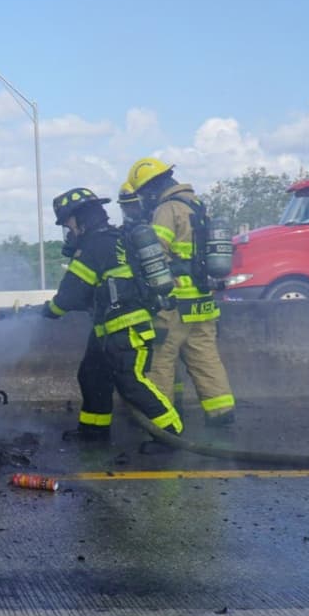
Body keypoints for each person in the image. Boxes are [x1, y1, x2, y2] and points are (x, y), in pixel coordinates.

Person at [40, 187, 182, 441]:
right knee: (92, 375)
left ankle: (171, 433)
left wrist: (49, 311)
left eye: (68, 223)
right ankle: (95, 429)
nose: (69, 231)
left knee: (131, 382)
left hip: (126, 328)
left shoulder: (94, 245)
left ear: (81, 218)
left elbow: (71, 295)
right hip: (107, 330)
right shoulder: (113, 238)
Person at [125, 158, 236, 426]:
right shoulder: (197, 206)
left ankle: (160, 423)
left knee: (160, 362)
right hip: (203, 302)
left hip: (174, 304)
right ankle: (221, 415)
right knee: (206, 360)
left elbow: (156, 254)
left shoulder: (167, 209)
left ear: (151, 189)